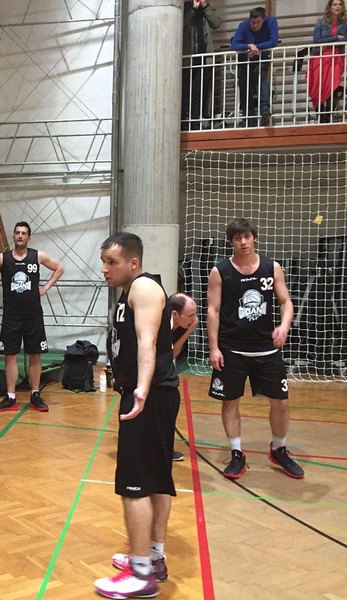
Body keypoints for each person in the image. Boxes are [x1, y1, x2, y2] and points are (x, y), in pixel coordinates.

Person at [94, 233, 180, 599]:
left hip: (148, 396)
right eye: (103, 262)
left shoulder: (143, 288)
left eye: (111, 262)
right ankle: (153, 557)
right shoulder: (134, 289)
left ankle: (142, 574)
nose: (105, 269)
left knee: (135, 485)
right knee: (156, 479)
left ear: (133, 262)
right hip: (154, 394)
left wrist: (141, 389)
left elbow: (147, 341)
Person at [207, 218, 303, 480]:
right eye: (237, 238)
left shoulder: (272, 267)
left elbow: (286, 301)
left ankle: (279, 449)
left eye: (247, 236)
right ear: (231, 241)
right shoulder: (220, 271)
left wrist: (284, 326)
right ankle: (237, 453)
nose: (243, 242)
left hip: (266, 349)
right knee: (230, 402)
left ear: (254, 238)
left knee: (281, 402)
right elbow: (213, 310)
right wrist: (214, 348)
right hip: (232, 348)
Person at [0, 222, 65, 412]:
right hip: (11, 317)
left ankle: (35, 394)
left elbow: (59, 268)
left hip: (33, 315)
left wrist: (46, 287)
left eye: (23, 233)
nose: (20, 236)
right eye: (17, 232)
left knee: (35, 355)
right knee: (10, 356)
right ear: (13, 236)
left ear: (28, 238)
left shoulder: (37, 256)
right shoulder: (3, 258)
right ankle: (10, 397)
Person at [231, 7, 278, 127]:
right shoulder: (243, 25)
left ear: (263, 20)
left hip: (262, 57)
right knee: (244, 84)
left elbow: (273, 41)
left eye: (258, 22)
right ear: (249, 20)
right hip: (245, 59)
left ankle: (264, 107)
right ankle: (248, 115)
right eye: (253, 22)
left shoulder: (271, 22)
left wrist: (257, 48)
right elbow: (234, 45)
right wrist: (249, 46)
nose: (255, 25)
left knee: (262, 76)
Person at [308, 0, 347, 123]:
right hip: (320, 56)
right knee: (319, 86)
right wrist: (336, 37)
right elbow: (316, 40)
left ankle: (327, 115)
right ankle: (320, 115)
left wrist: (328, 41)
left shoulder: (345, 23)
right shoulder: (321, 22)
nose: (338, 7)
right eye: (335, 4)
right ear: (330, 7)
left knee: (332, 85)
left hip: (336, 56)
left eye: (340, 4)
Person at [182, 0, 222, 130]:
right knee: (185, 91)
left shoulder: (207, 9)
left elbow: (216, 23)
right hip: (187, 60)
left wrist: (205, 6)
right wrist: (193, 9)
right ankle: (184, 122)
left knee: (200, 92)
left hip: (204, 59)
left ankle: (196, 122)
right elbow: (181, 24)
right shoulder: (184, 8)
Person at [169, 293, 199, 461]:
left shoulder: (182, 325)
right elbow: (170, 354)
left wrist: (188, 330)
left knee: (172, 402)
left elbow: (174, 353)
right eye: (190, 315)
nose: (194, 319)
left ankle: (166, 447)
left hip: (164, 367)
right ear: (175, 314)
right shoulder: (160, 325)